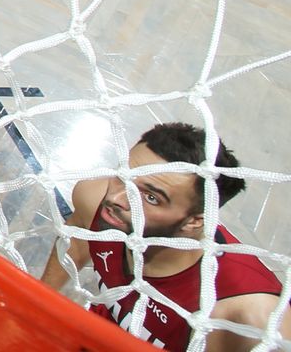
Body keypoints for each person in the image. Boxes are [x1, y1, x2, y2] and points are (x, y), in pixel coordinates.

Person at [38, 123, 288, 345]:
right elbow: (78, 239)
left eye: (150, 197)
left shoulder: (246, 316)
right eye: (124, 176)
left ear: (194, 222)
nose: (115, 198)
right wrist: (41, 301)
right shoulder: (96, 199)